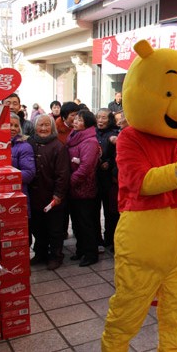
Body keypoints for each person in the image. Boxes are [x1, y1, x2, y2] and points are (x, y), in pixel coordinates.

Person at [28, 115, 70, 270]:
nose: (44, 128)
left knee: (55, 229)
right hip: (34, 196)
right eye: (40, 125)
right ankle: (40, 254)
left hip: (53, 196)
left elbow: (63, 174)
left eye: (47, 125)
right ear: (35, 126)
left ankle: (56, 256)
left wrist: (58, 194)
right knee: (38, 228)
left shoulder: (58, 146)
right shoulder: (30, 143)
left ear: (52, 127)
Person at [67, 109, 101, 267]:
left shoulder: (90, 141)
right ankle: (81, 250)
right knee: (77, 222)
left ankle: (91, 253)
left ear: (87, 123)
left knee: (86, 223)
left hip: (85, 188)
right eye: (75, 119)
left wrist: (71, 180)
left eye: (79, 120)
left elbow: (86, 167)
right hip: (74, 188)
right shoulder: (74, 136)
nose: (75, 121)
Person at [95, 108, 120, 252]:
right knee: (94, 211)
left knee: (110, 212)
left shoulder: (114, 135)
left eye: (104, 117)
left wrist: (109, 163)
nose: (100, 120)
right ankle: (98, 239)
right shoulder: (92, 133)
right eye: (98, 117)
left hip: (109, 179)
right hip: (94, 178)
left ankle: (110, 239)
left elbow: (117, 156)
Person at [10, 112, 36, 245]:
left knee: (21, 238)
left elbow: (29, 174)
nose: (13, 128)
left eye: (16, 125)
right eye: (9, 125)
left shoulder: (24, 147)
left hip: (17, 197)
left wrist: (4, 178)